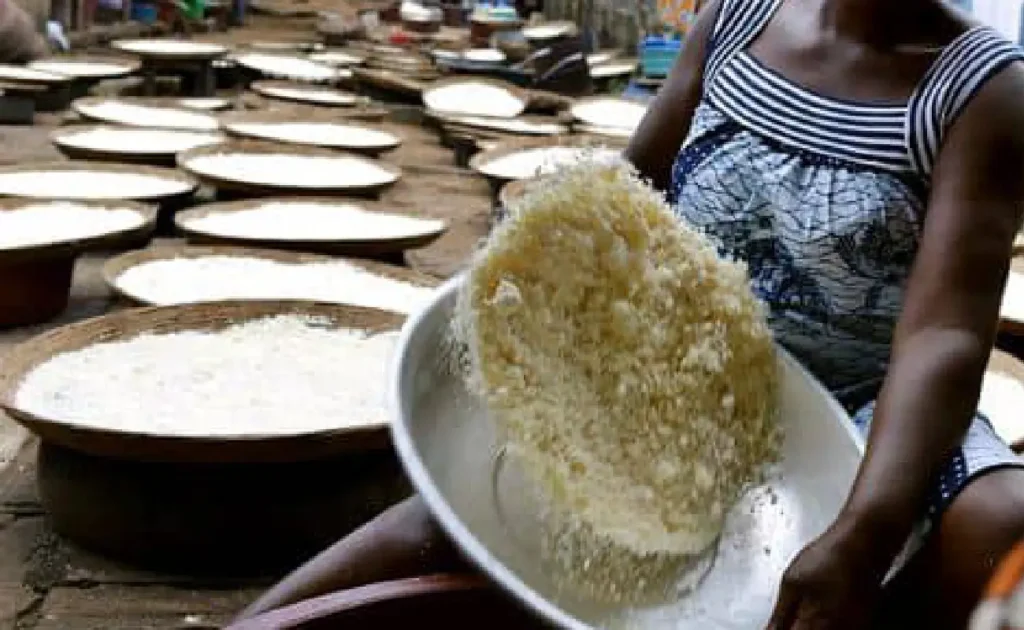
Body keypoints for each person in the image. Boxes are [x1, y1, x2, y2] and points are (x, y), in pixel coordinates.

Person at [238, 1, 1024, 628]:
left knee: (1001, 527)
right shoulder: (739, 20)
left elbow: (944, 334)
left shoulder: (982, 90)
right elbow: (624, 196)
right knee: (469, 515)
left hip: (866, 408)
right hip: (680, 379)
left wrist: (865, 528)